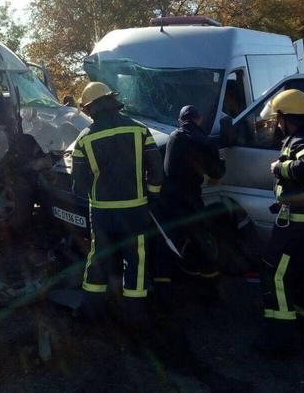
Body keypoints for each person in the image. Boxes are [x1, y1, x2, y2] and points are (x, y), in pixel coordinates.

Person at [71, 81, 163, 328]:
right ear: (112, 101)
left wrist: (90, 200)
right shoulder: (140, 131)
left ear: (91, 108)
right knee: (136, 262)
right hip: (136, 211)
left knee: (98, 260)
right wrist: (152, 197)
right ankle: (135, 317)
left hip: (102, 213)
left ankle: (90, 312)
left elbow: (78, 184)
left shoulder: (84, 139)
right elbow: (156, 170)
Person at [259, 89, 304, 358]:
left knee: (275, 276)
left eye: (278, 118)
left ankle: (281, 341)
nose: (277, 124)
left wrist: (279, 167)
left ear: (287, 117)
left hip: (299, 227)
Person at [152, 105, 225, 306]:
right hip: (190, 202)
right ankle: (210, 293)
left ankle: (163, 298)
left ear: (180, 121)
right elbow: (216, 173)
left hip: (167, 201)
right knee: (202, 243)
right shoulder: (204, 140)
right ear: (199, 119)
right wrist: (220, 162)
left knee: (164, 247)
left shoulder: (174, 137)